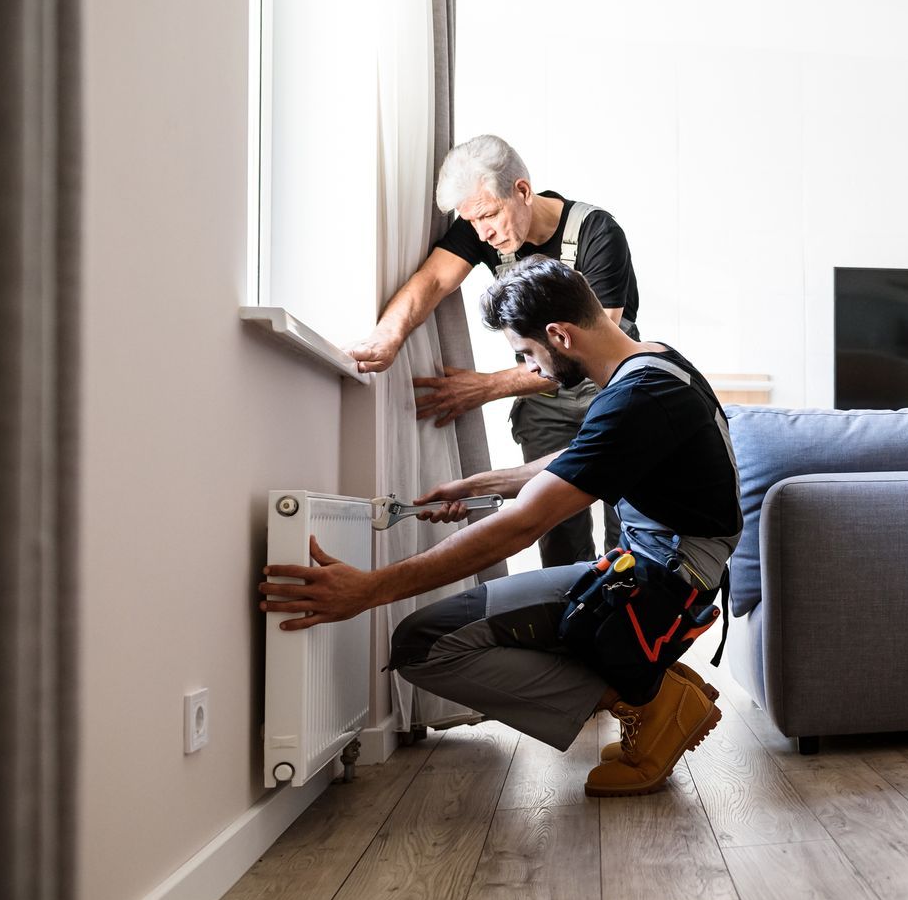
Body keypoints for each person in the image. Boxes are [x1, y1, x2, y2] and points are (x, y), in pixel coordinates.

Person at [264, 259, 738, 797]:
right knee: (471, 627)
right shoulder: (651, 364)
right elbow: (583, 457)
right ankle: (650, 687)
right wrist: (476, 484)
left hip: (665, 579)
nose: (532, 369)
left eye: (527, 354)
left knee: (422, 645)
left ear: (560, 334)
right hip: (659, 562)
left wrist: (369, 590)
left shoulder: (637, 398)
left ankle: (651, 700)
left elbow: (522, 527)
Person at [346, 134, 640, 567]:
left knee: (627, 527)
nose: (483, 232)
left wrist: (484, 388)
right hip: (544, 402)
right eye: (473, 221)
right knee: (553, 528)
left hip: (610, 391)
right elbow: (432, 281)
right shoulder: (483, 229)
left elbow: (590, 347)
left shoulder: (597, 233)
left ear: (521, 190)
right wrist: (387, 336)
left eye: (488, 215)